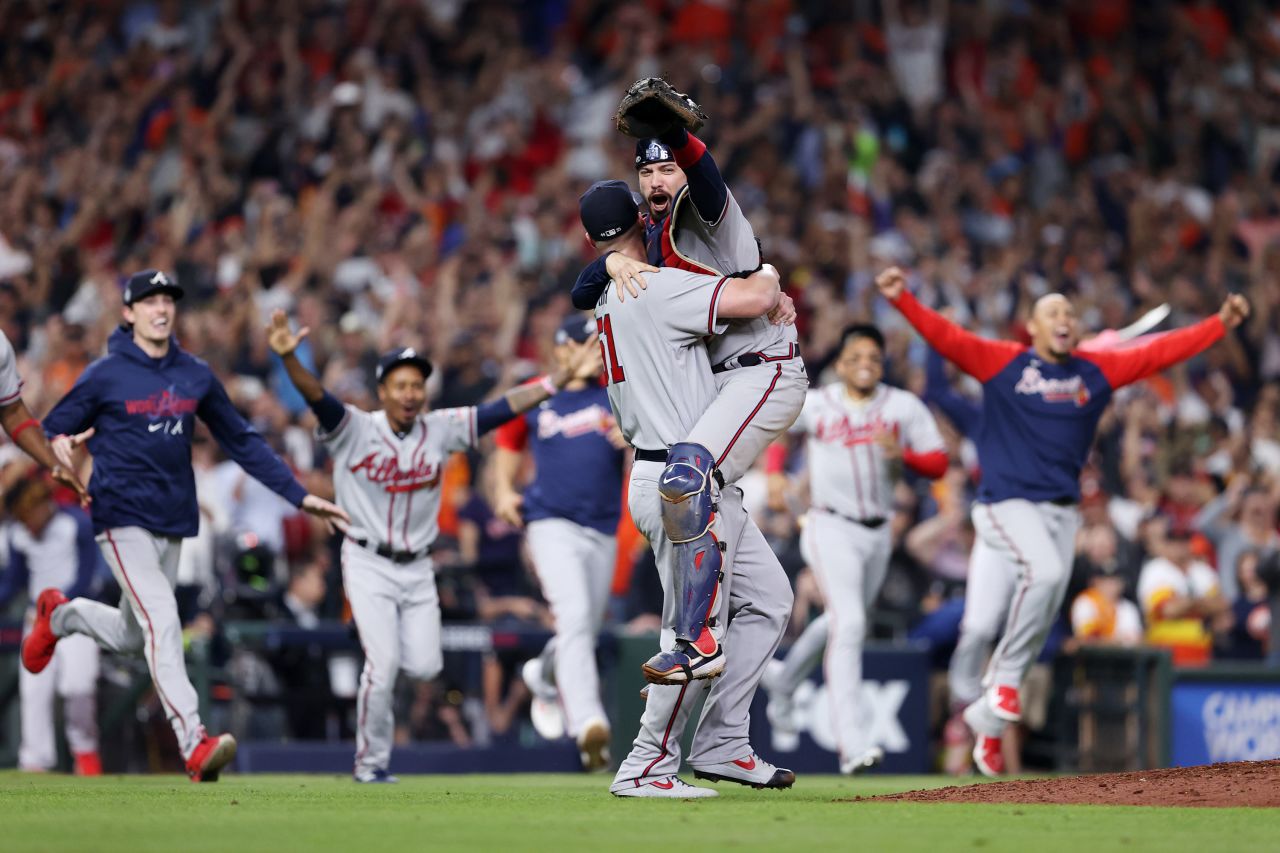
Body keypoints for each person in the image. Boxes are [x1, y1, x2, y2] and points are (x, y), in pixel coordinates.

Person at [875, 264, 1249, 776]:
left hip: (1060, 515)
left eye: (1069, 311)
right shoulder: (1005, 362)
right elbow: (949, 338)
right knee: (1008, 603)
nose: (1064, 317)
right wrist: (904, 300)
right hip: (1004, 506)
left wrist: (1218, 325)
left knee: (1037, 613)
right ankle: (984, 694)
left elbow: (1160, 351)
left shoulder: (1095, 371)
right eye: (1052, 311)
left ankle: (989, 718)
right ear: (1030, 327)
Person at [23, 269, 350, 783]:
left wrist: (301, 495)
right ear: (128, 313)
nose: (161, 308)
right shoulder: (105, 374)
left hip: (171, 521)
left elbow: (242, 441)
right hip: (118, 515)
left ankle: (61, 617)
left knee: (136, 635)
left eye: (167, 300)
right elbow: (48, 430)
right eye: (148, 300)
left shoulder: (194, 375)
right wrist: (59, 446)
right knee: (163, 617)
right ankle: (194, 743)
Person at [265, 306, 601, 783]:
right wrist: (290, 362)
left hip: (419, 569)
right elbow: (316, 395)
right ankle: (370, 763)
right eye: (400, 385)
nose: (410, 393)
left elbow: (499, 410)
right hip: (366, 560)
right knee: (381, 668)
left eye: (416, 385)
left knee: (423, 667)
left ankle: (378, 739)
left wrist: (552, 383)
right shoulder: (354, 428)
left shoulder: (438, 428)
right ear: (382, 392)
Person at [571, 87, 806, 685]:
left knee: (688, 474)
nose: (657, 180)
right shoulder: (648, 244)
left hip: (761, 366)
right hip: (721, 388)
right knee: (767, 598)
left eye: (666, 166)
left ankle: (694, 643)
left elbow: (706, 180)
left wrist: (681, 141)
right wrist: (609, 263)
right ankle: (723, 743)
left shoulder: (703, 209)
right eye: (646, 169)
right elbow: (582, 287)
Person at [576, 180, 795, 798]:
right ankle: (646, 764)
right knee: (696, 632)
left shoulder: (607, 294)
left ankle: (723, 743)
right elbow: (757, 294)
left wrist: (608, 260)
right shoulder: (657, 287)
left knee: (771, 599)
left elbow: (588, 281)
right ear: (642, 227)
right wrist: (773, 276)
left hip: (679, 472)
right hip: (680, 481)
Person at [759, 323, 947, 775]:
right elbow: (778, 426)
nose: (865, 364)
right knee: (852, 622)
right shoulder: (820, 402)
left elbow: (938, 462)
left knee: (840, 623)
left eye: (874, 358)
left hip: (879, 533)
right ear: (840, 364)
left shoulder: (900, 407)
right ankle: (853, 744)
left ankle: (783, 681)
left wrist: (906, 458)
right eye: (856, 356)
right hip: (828, 525)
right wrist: (776, 472)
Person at [492, 314, 626, 771]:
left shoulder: (619, 391)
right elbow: (506, 449)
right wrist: (504, 490)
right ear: (563, 348)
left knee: (580, 628)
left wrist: (631, 436)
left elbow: (653, 441)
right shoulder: (539, 393)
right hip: (549, 522)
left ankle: (542, 675)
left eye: (599, 345)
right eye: (587, 344)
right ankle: (588, 721)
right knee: (573, 618)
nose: (596, 352)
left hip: (602, 528)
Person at [0, 471, 103, 774]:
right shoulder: (19, 535)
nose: (26, 524)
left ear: (40, 506)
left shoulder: (76, 524)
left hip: (75, 615)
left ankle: (85, 751)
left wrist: (57, 605)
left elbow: (86, 578)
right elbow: (14, 582)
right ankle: (35, 759)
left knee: (78, 686)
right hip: (36, 619)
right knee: (34, 690)